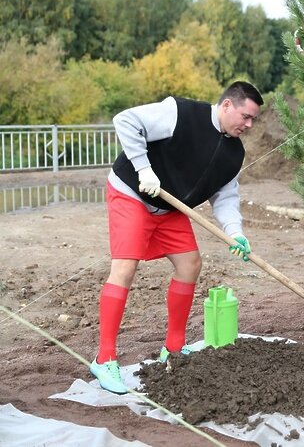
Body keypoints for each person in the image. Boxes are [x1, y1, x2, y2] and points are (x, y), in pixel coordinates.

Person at [89, 81, 264, 394]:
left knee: (190, 265)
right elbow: (125, 120)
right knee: (125, 268)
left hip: (170, 207)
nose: (249, 125)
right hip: (132, 194)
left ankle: (173, 348)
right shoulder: (180, 113)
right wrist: (144, 169)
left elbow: (225, 197)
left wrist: (235, 232)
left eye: (253, 119)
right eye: (246, 116)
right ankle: (104, 359)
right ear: (227, 105)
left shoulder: (234, 154)